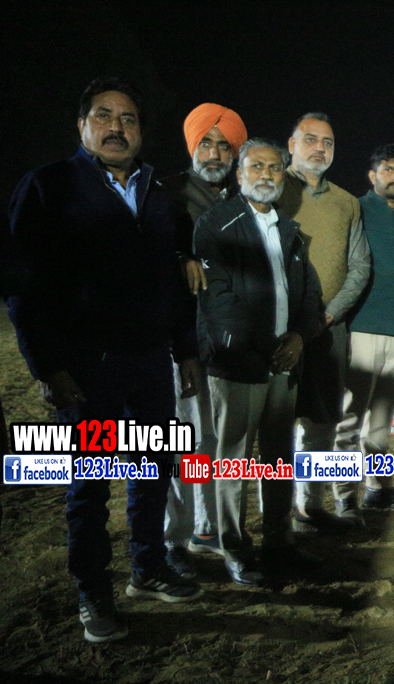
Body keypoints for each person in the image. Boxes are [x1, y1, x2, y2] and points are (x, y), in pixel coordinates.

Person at [8, 77, 204, 643]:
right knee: (90, 485)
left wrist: (186, 351)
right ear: (81, 125)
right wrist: (47, 365)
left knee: (153, 470)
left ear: (141, 131)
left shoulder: (158, 194)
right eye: (104, 116)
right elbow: (22, 284)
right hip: (86, 366)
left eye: (129, 118)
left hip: (151, 362)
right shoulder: (48, 186)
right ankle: (92, 592)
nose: (117, 127)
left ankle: (148, 567)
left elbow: (174, 280)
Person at [195, 138, 323, 586]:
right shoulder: (216, 224)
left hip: (284, 364)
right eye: (256, 167)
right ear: (239, 174)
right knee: (233, 460)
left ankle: (279, 543)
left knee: (278, 459)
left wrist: (299, 337)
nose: (266, 175)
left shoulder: (289, 229)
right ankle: (235, 550)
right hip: (239, 364)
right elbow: (219, 299)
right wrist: (269, 345)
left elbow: (309, 295)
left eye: (274, 168)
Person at [159, 102, 249, 575]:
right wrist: (179, 256)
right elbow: (148, 248)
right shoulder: (168, 193)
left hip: (231, 341)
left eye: (224, 146)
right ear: (193, 146)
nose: (215, 153)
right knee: (182, 440)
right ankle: (172, 540)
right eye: (207, 143)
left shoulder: (243, 199)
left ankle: (209, 528)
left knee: (219, 440)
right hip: (184, 339)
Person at [279, 113, 372, 532]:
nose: (320, 148)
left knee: (323, 421)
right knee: (277, 423)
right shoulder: (271, 188)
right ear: (291, 144)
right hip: (278, 330)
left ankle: (311, 506)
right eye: (311, 139)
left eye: (328, 142)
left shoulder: (347, 202)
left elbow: (360, 266)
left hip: (329, 328)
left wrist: (330, 314)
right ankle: (277, 515)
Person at [338, 144, 394, 511]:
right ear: (372, 175)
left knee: (382, 419)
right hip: (364, 323)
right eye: (389, 169)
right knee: (350, 417)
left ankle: (378, 490)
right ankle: (343, 497)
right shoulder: (356, 210)